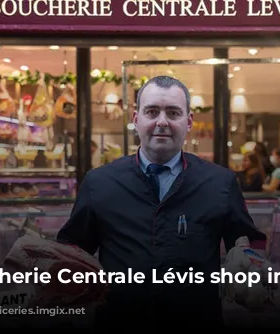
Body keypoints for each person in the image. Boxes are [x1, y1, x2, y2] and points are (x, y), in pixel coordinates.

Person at [56, 76, 267, 330]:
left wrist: (250, 268)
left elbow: (248, 242)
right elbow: (72, 250)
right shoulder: (99, 183)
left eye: (173, 112)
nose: (162, 121)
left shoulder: (220, 183)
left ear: (188, 121)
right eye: (152, 111)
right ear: (136, 119)